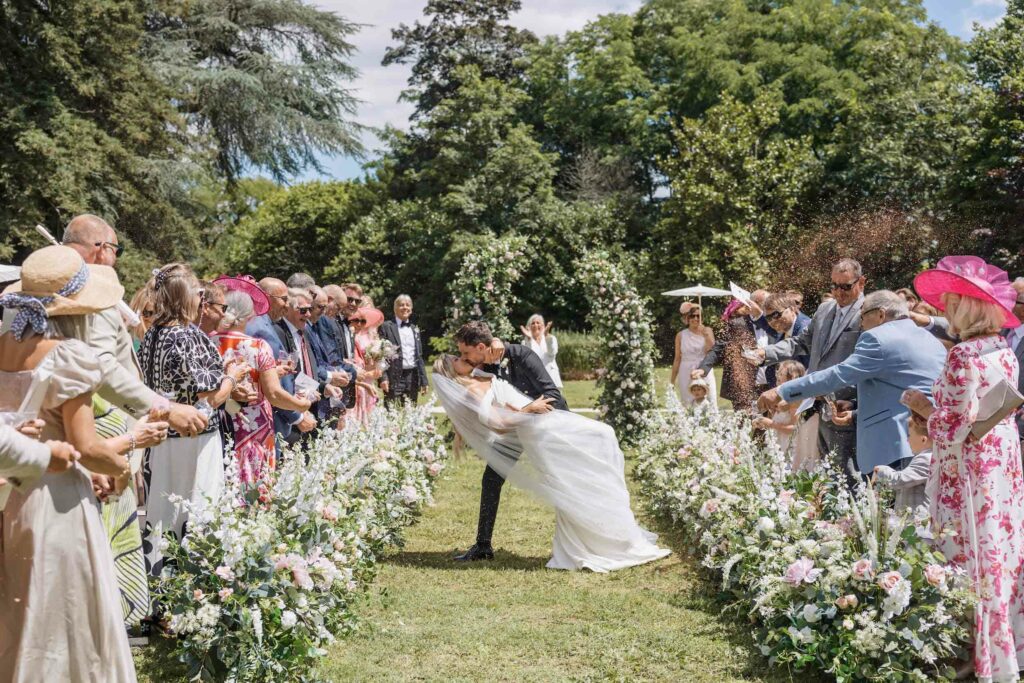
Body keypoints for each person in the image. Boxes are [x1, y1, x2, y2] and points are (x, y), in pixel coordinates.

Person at [0, 245, 138, 682]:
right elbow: (87, 445)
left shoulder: (3, 346)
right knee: (65, 609)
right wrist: (122, 465)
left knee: (22, 603)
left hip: (11, 492)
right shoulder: (67, 355)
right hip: (57, 495)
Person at [901, 255, 1024, 683]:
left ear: (965, 308)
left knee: (964, 551)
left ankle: (969, 652)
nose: (944, 311)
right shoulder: (1003, 350)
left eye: (951, 304)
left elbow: (951, 427)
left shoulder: (962, 357)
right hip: (1001, 465)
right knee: (998, 550)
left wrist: (921, 407)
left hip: (967, 470)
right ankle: (1003, 646)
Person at [433, 353, 670, 571]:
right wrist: (530, 408)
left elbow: (502, 406)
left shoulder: (481, 374)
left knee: (600, 440)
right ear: (450, 370)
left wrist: (520, 408)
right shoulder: (471, 391)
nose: (462, 356)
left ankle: (611, 528)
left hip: (542, 419)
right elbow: (498, 424)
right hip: (535, 425)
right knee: (600, 438)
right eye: (456, 358)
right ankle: (593, 539)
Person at [138, 263, 249, 582]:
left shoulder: (153, 335)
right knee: (199, 508)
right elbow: (209, 398)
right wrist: (232, 376)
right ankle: (200, 589)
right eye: (199, 294)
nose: (202, 301)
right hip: (195, 440)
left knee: (164, 514)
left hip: (163, 440)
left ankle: (162, 590)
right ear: (185, 296)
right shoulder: (187, 335)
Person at [758, 290, 946, 477]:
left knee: (893, 505)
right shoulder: (929, 338)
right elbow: (899, 389)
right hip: (932, 440)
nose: (860, 323)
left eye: (862, 316)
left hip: (896, 445)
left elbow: (837, 375)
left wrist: (782, 390)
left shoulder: (878, 338)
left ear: (880, 314)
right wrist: (855, 411)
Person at [62, 214, 207, 441]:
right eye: (117, 251)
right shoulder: (93, 291)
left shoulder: (31, 289)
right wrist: (167, 408)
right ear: (103, 249)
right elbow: (102, 367)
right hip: (92, 437)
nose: (116, 260)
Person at [452, 321, 568, 562]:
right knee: (491, 479)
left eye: (465, 352)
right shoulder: (483, 366)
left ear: (481, 346)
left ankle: (574, 541)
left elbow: (554, 396)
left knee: (562, 483)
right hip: (514, 430)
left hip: (546, 428)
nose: (463, 357)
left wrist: (524, 411)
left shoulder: (522, 355)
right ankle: (483, 545)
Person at [750, 259, 866, 474]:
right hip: (817, 403)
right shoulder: (824, 309)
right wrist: (765, 353)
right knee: (825, 470)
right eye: (834, 286)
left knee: (847, 474)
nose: (839, 292)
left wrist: (854, 403)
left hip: (847, 406)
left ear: (862, 283)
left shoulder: (867, 313)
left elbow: (863, 365)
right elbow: (801, 342)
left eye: (846, 286)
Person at [212, 288, 314, 486]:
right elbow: (274, 393)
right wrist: (300, 405)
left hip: (219, 421)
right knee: (254, 482)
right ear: (250, 315)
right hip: (253, 426)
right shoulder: (258, 346)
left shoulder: (209, 341)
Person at [246, 278, 316, 444]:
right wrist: (297, 412)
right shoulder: (259, 328)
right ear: (265, 296)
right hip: (270, 416)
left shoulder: (266, 323)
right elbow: (272, 385)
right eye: (284, 299)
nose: (287, 305)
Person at [692, 298, 759, 411]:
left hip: (769, 380)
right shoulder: (737, 323)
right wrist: (703, 368)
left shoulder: (774, 321)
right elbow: (719, 347)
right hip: (741, 380)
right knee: (741, 420)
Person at [873, 413, 932, 516]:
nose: (907, 440)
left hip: (919, 524)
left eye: (909, 435)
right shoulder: (923, 457)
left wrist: (881, 470)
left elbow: (900, 480)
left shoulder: (926, 459)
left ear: (923, 439)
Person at [379, 294, 429, 405]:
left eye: (408, 305)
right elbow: (380, 355)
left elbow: (419, 355)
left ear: (411, 309)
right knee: (391, 411)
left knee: (410, 411)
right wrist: (383, 378)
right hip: (394, 376)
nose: (405, 307)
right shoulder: (386, 326)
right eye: (401, 305)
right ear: (395, 308)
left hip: (412, 376)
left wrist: (424, 381)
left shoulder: (414, 328)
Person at [753, 360, 807, 456]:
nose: (777, 376)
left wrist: (770, 424)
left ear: (792, 378)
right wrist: (762, 422)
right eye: (778, 372)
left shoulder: (793, 401)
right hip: (778, 445)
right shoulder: (779, 398)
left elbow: (795, 429)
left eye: (781, 374)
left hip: (789, 449)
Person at [762, 292, 812, 388]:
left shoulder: (806, 330)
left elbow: (809, 371)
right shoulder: (784, 329)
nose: (772, 321)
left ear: (792, 308)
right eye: (768, 318)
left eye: (776, 314)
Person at [670, 302, 715, 405]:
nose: (695, 318)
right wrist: (672, 382)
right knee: (688, 402)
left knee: (709, 400)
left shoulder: (707, 330)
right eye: (692, 316)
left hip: (704, 369)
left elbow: (712, 352)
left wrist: (706, 335)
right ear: (687, 318)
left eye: (698, 316)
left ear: (702, 317)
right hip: (686, 371)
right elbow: (677, 359)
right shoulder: (680, 335)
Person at [349, 307, 386, 422]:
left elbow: (378, 365)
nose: (360, 324)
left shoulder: (372, 337)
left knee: (368, 418)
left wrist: (374, 368)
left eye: (363, 321)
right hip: (355, 382)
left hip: (367, 380)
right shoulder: (350, 336)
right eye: (357, 320)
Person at [519, 313, 563, 389]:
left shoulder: (551, 338)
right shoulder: (525, 342)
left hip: (551, 377)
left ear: (543, 326)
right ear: (529, 327)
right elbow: (527, 359)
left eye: (538, 323)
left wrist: (546, 337)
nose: (536, 325)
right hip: (534, 380)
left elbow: (552, 353)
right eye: (533, 323)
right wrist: (529, 340)